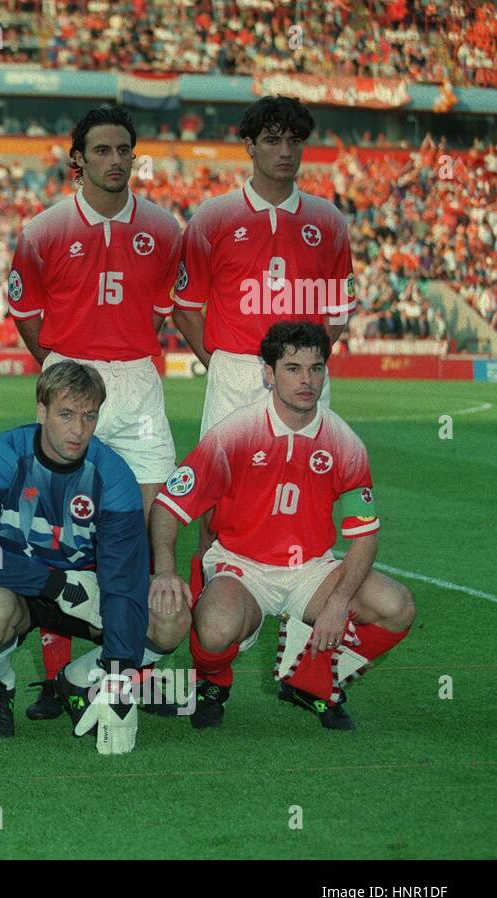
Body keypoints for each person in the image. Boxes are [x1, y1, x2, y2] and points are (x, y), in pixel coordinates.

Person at [150, 322, 415, 730]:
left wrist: (338, 603)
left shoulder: (345, 444)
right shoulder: (234, 434)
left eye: (315, 368)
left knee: (396, 606)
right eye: (293, 368)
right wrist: (166, 570)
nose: (306, 380)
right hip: (242, 567)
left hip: (310, 570)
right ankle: (213, 683)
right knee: (216, 626)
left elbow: (364, 539)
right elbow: (168, 507)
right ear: (268, 374)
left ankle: (310, 677)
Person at [7, 106, 184, 718]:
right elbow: (25, 312)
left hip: (138, 383)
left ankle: (119, 665)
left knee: (144, 525)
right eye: (102, 150)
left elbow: (164, 307)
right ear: (77, 158)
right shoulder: (44, 229)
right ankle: (59, 679)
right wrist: (60, 369)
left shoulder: (164, 229)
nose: (115, 160)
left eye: (123, 150)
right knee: (63, 532)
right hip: (71, 380)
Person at [170, 96, 356, 600]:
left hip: (303, 378)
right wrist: (227, 363)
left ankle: (299, 628)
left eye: (295, 141)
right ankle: (214, 635)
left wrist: (302, 367)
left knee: (307, 500)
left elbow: (337, 312)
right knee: (218, 499)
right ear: (249, 146)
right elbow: (186, 306)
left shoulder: (329, 221)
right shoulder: (213, 217)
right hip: (237, 372)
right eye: (273, 140)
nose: (286, 152)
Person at [0, 361, 189, 754]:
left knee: (170, 616)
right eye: (65, 414)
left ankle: (81, 677)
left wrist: (118, 677)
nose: (78, 429)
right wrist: (54, 583)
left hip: (90, 593)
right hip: (20, 588)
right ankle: (0, 684)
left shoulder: (113, 476)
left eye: (88, 415)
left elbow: (123, 580)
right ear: (41, 411)